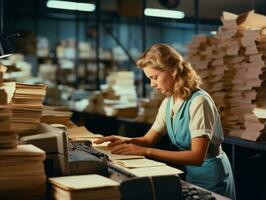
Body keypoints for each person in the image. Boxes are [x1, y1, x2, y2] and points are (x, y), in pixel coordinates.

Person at [95, 43, 236, 199]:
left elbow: (197, 156)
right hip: (192, 174)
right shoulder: (168, 102)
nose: (152, 84)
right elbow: (148, 140)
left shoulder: (199, 102)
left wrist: (146, 152)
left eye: (155, 77)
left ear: (173, 71)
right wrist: (126, 140)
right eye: (150, 79)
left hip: (213, 176)